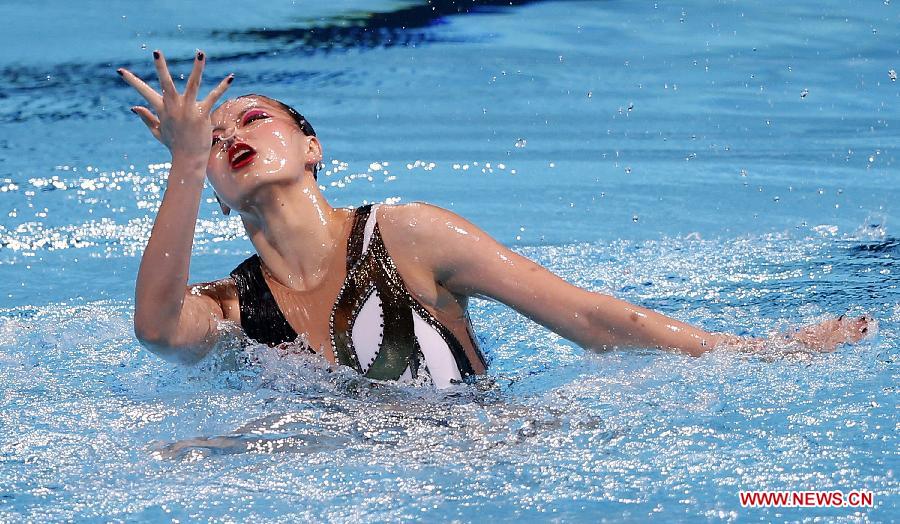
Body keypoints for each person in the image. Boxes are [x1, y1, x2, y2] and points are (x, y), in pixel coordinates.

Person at [118, 50, 872, 388]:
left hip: (478, 468)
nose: (232, 137)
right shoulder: (229, 307)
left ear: (312, 148)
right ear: (208, 189)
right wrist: (183, 162)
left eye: (252, 118)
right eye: (214, 143)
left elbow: (589, 318)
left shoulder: (408, 235)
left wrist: (764, 352)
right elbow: (156, 331)